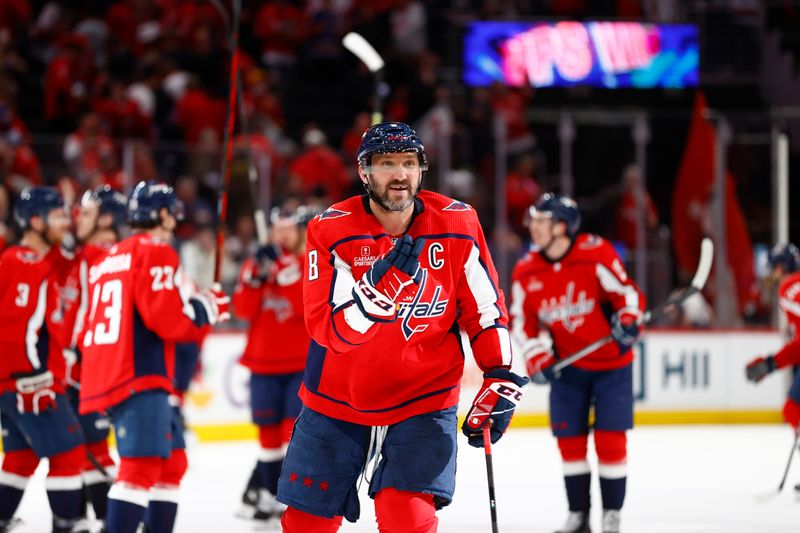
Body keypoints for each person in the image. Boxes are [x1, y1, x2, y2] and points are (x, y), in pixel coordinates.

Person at [275, 121, 528, 532]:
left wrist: (499, 374)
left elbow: (485, 311)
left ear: (421, 169)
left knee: (408, 518)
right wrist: (373, 299)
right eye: (387, 163)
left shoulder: (458, 224)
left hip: (423, 397)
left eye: (409, 163)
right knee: (305, 523)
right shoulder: (331, 228)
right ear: (364, 173)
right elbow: (325, 328)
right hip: (337, 396)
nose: (399, 175)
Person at [79, 181, 231, 533]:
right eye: (172, 215)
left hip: (108, 371)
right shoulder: (156, 251)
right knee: (140, 468)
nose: (175, 222)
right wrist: (204, 307)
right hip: (138, 375)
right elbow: (168, 323)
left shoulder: (108, 257)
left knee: (172, 463)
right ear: (162, 215)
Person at [509, 193, 645, 533]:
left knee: (611, 441)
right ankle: (578, 515)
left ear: (561, 226)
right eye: (533, 220)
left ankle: (611, 514)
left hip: (612, 365)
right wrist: (537, 354)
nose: (533, 228)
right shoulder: (527, 270)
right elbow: (522, 322)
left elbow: (626, 293)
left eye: (541, 221)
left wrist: (628, 319)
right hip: (568, 369)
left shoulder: (594, 252)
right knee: (569, 442)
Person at [0, 187, 87, 532]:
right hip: (28, 382)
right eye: (57, 216)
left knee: (22, 456)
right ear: (34, 221)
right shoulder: (24, 264)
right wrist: (32, 378)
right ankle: (68, 525)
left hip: (17, 382)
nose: (65, 223)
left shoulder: (26, 260)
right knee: (69, 453)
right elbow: (13, 332)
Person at [233, 203, 314, 525]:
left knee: (289, 433)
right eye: (277, 228)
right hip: (262, 364)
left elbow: (304, 308)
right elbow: (242, 310)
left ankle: (290, 494)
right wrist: (255, 279)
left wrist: (284, 270)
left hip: (297, 364)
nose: (282, 234)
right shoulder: (258, 263)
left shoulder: (308, 262)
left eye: (288, 228)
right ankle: (267, 491)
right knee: (267, 436)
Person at [55, 185, 130, 528]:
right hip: (89, 368)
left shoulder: (96, 257)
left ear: (106, 218)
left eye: (85, 213)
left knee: (93, 450)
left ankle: (107, 520)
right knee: (88, 449)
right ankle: (99, 519)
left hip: (85, 370)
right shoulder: (105, 254)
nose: (76, 220)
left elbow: (87, 315)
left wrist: (73, 358)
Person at [745, 243, 800, 469]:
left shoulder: (788, 288)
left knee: (793, 408)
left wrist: (771, 364)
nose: (773, 273)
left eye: (775, 267)